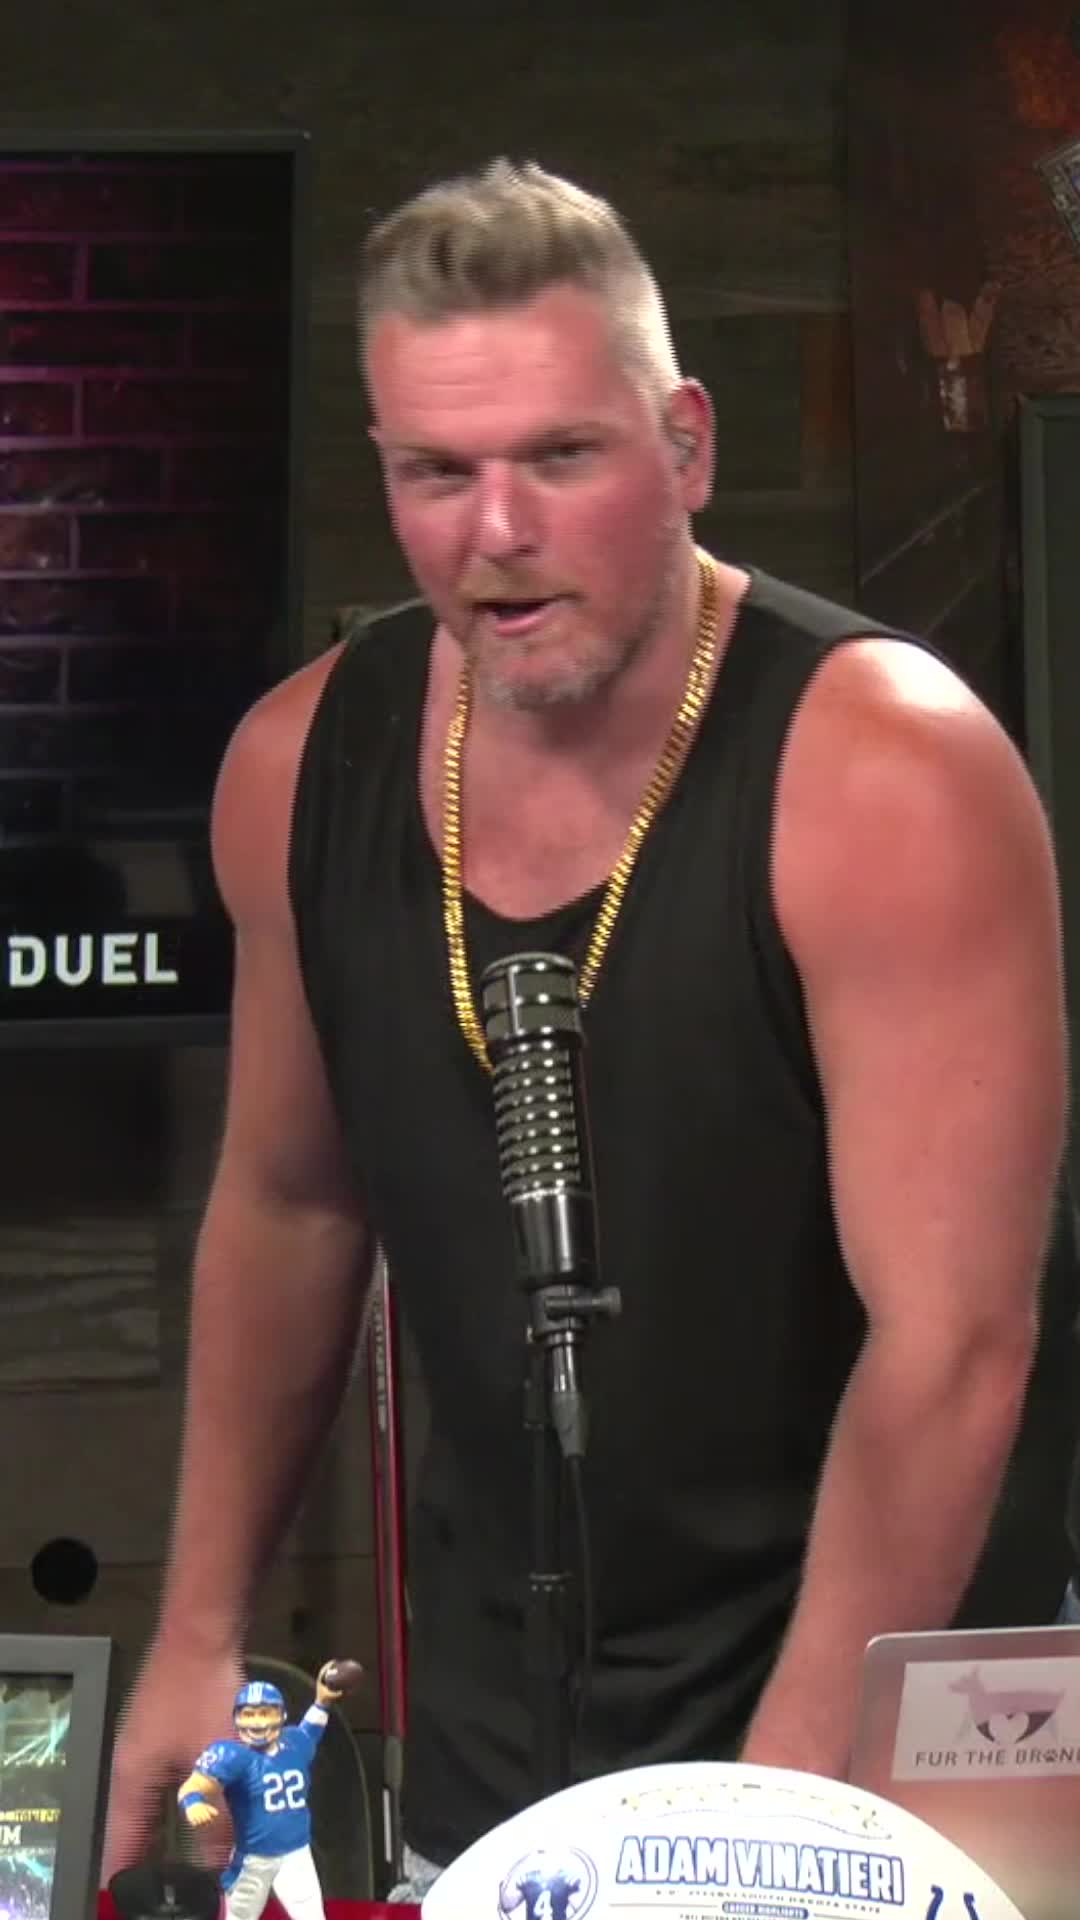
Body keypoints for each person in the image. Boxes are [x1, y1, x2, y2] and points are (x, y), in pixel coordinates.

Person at [103, 159, 1068, 1904]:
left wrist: (772, 1827)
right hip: (499, 1737)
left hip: (878, 1730)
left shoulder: (888, 771)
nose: (497, 531)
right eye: (437, 471)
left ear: (685, 446)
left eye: (560, 456)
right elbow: (290, 1203)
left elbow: (954, 1342)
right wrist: (194, 1631)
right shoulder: (300, 768)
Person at [176, 1669, 342, 1920]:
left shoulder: (294, 1743)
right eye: (249, 1714)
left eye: (264, 1713)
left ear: (281, 1715)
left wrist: (322, 1701)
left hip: (296, 1853)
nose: (256, 1722)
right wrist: (193, 1802)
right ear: (237, 1718)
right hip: (254, 1859)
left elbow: (311, 1729)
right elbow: (192, 1786)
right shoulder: (232, 1756)